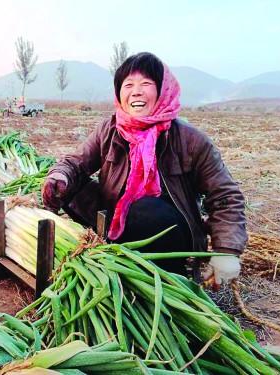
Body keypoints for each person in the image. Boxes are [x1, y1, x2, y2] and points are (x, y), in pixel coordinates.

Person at [42, 52, 246, 286]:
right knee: (69, 186)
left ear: (162, 90)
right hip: (118, 221)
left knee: (145, 209)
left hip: (169, 232)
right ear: (119, 93)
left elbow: (225, 195)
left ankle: (164, 275)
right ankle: (112, 249)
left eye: (146, 84)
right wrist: (59, 177)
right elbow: (76, 162)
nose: (136, 91)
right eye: (128, 85)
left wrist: (226, 250)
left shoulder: (189, 139)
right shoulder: (110, 129)